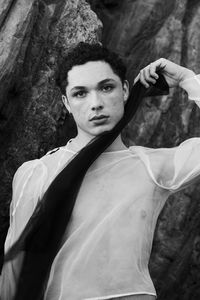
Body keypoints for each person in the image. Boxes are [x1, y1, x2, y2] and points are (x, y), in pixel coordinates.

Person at [1, 42, 200, 300]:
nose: (96, 103)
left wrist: (187, 78)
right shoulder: (36, 173)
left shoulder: (151, 168)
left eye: (106, 88)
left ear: (125, 90)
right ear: (66, 103)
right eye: (80, 93)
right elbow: (13, 274)